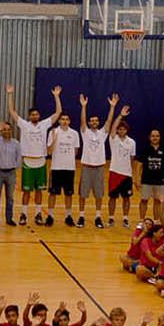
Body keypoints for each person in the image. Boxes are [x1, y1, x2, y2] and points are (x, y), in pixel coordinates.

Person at [8, 83, 62, 225]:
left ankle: (38, 214)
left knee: (39, 191)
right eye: (32, 114)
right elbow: (12, 111)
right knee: (26, 191)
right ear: (29, 116)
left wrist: (56, 96)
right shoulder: (24, 124)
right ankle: (24, 214)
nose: (34, 116)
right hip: (28, 162)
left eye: (36, 114)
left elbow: (58, 112)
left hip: (41, 162)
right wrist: (10, 94)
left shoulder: (44, 124)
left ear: (39, 115)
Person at [76, 95, 110, 228]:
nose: (94, 122)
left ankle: (98, 217)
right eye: (92, 121)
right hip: (86, 167)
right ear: (89, 123)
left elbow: (109, 121)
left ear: (98, 122)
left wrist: (112, 107)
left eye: (96, 121)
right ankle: (81, 216)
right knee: (83, 194)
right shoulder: (85, 132)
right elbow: (82, 121)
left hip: (99, 167)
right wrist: (83, 106)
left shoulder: (103, 133)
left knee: (99, 194)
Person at [102, 94, 135, 228]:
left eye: (123, 129)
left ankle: (125, 218)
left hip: (127, 174)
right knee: (112, 197)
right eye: (119, 129)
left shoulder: (132, 142)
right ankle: (111, 218)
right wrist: (120, 115)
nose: (121, 131)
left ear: (126, 130)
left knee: (126, 198)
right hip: (114, 172)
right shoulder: (113, 139)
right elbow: (113, 126)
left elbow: (132, 158)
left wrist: (131, 172)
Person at [45, 108, 81, 227]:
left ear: (69, 121)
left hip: (69, 168)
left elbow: (76, 151)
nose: (64, 121)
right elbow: (49, 151)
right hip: (56, 167)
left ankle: (68, 216)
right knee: (53, 193)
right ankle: (50, 216)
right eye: (62, 119)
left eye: (67, 119)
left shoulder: (74, 134)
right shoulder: (53, 132)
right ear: (59, 121)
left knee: (68, 194)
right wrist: (54, 139)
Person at [0, 120, 21, 227]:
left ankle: (9, 219)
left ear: (11, 130)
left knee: (10, 198)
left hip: (11, 174)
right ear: (1, 131)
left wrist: (13, 167)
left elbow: (19, 158)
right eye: (4, 129)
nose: (6, 131)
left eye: (8, 129)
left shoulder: (16, 143)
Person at [137, 128, 164, 225]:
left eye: (157, 136)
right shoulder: (145, 150)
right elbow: (139, 164)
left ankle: (156, 221)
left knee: (158, 201)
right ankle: (141, 220)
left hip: (160, 181)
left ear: (160, 137)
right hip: (146, 180)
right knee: (144, 200)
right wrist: (137, 178)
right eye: (153, 136)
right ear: (149, 137)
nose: (155, 138)